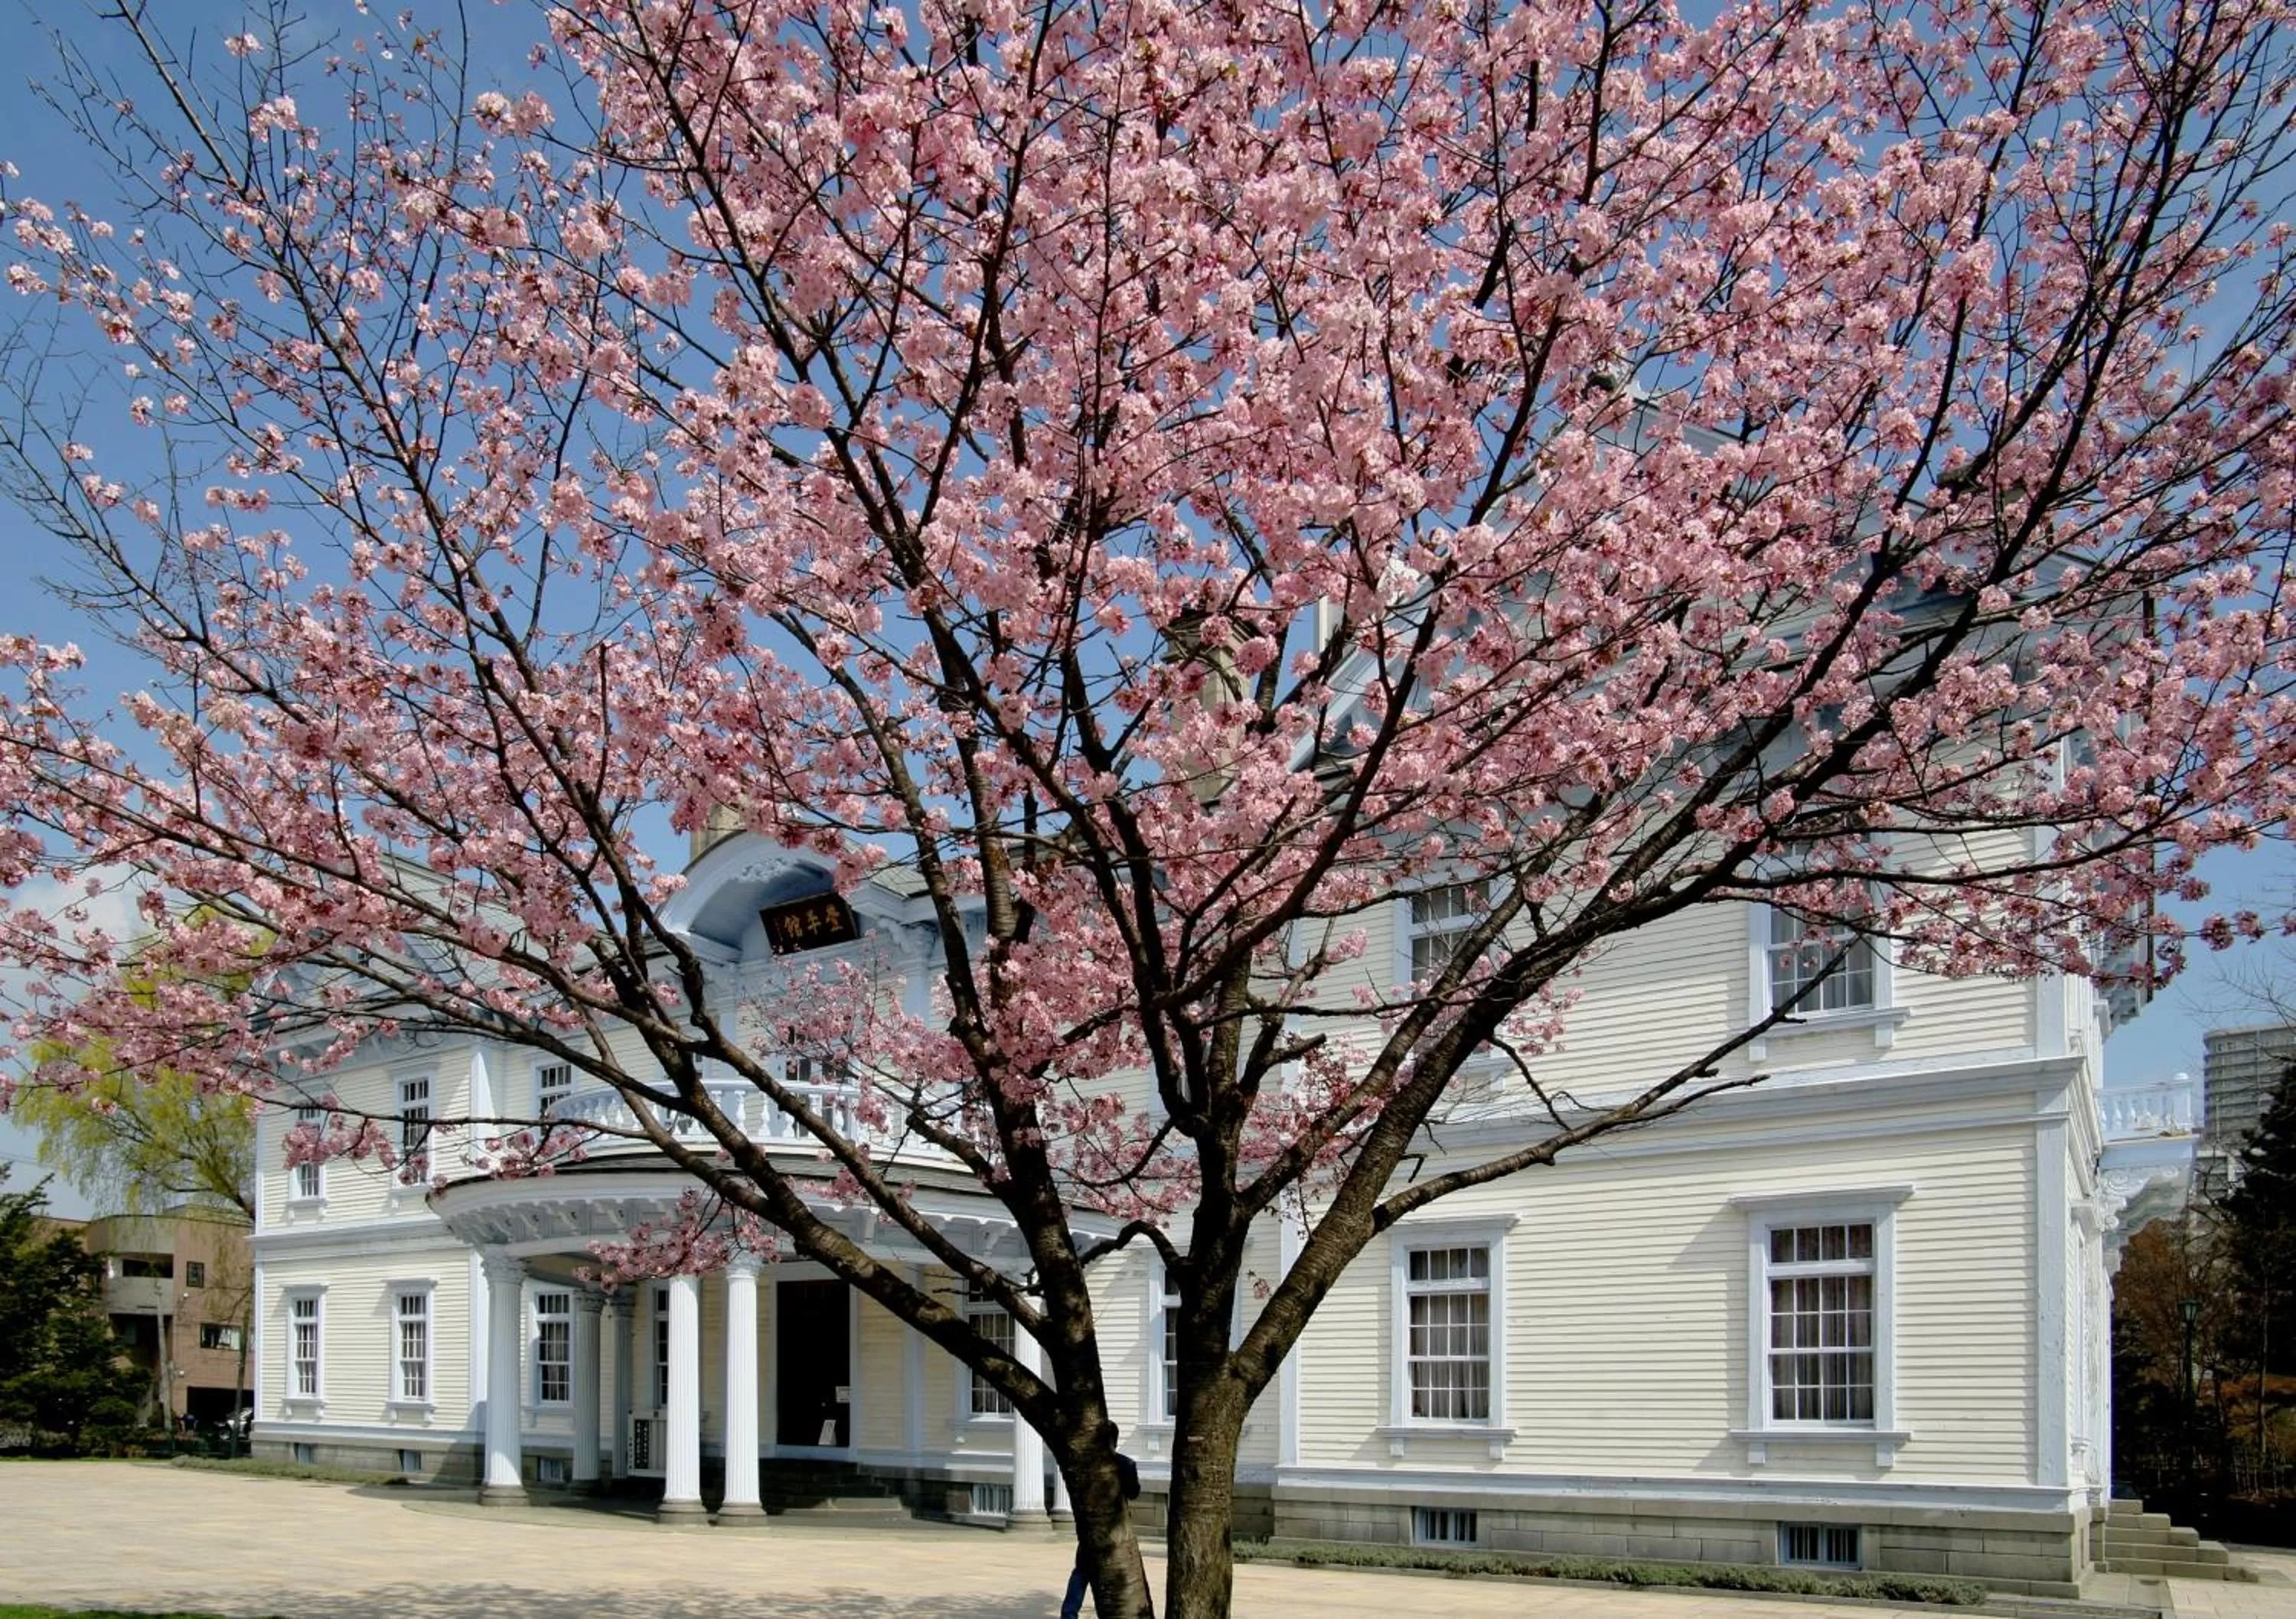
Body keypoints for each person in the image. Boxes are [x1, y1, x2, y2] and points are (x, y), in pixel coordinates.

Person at [1059, 1448, 1142, 1619]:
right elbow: (1134, 1492)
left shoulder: (1087, 1463)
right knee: (1110, 1573)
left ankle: (1069, 1613)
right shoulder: (1126, 1463)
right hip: (1115, 1528)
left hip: (1092, 1525)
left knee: (1082, 1572)